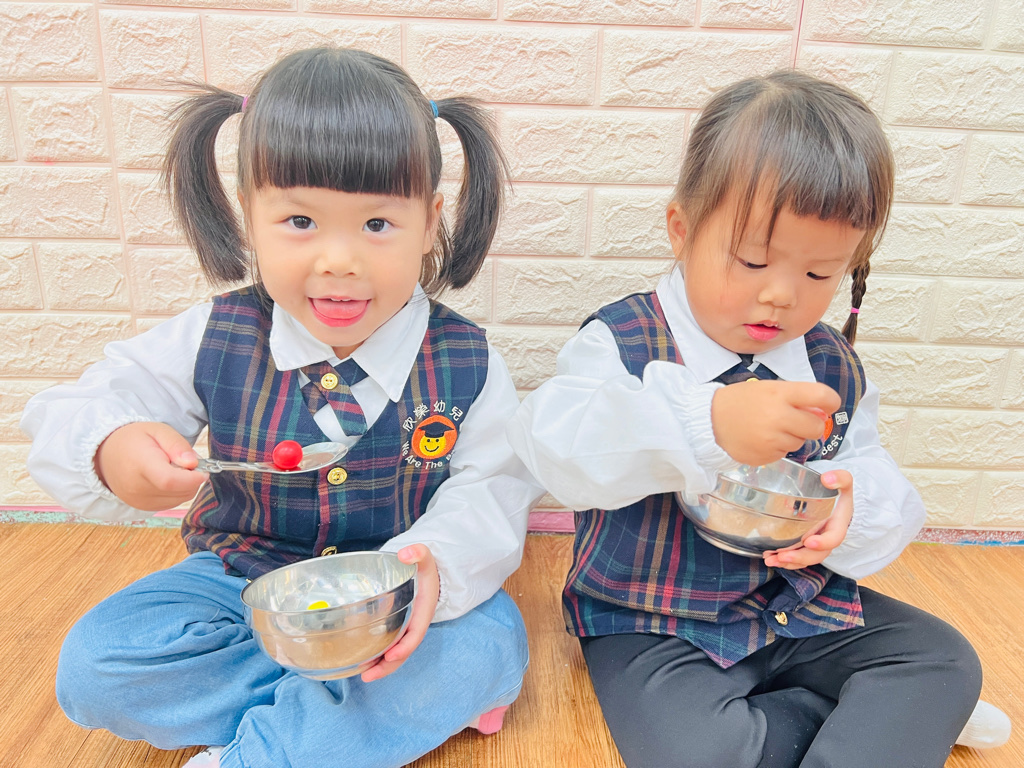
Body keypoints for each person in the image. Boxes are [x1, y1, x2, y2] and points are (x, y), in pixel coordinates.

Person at [21, 47, 544, 768]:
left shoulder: (469, 361)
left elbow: (494, 493)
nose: (338, 260)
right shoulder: (214, 335)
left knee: (483, 647)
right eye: (300, 221)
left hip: (402, 608)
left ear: (430, 223)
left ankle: (278, 744)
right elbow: (90, 402)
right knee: (99, 665)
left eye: (377, 225)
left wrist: (432, 566)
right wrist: (113, 447)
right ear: (249, 217)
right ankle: (347, 717)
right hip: (245, 587)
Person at [507, 70, 1010, 767]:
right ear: (682, 230)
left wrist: (850, 508)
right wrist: (704, 422)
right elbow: (554, 444)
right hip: (654, 623)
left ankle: (874, 715)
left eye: (818, 274)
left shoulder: (830, 365)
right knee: (700, 753)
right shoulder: (624, 341)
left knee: (943, 660)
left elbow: (867, 466)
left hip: (795, 608)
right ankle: (865, 722)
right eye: (751, 260)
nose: (779, 295)